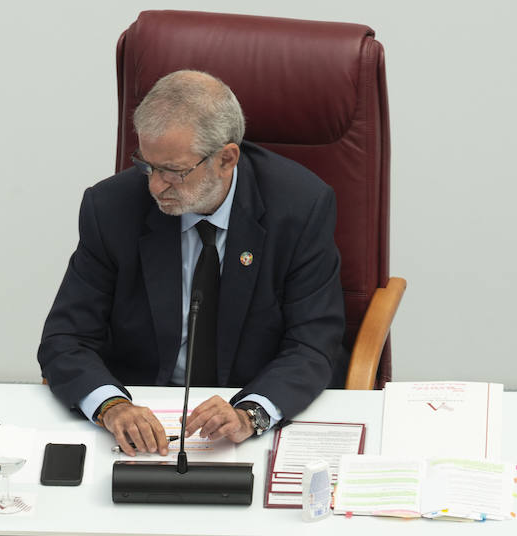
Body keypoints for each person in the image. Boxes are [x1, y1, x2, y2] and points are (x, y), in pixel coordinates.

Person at [38, 70, 346, 458]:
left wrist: (251, 413)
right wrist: (113, 407)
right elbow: (65, 339)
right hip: (145, 414)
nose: (154, 186)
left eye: (174, 171)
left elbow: (313, 343)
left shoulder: (300, 207)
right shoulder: (111, 208)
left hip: (249, 419)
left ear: (226, 159)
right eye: (147, 165)